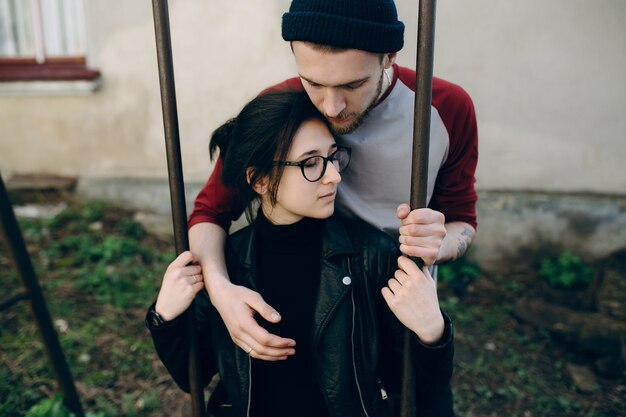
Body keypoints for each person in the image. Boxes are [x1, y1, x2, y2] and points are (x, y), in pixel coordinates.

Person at [189, 0, 477, 361]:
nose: (331, 107)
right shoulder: (285, 105)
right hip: (314, 305)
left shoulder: (445, 107)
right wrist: (220, 291)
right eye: (313, 83)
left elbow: (462, 221)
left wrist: (440, 243)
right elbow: (209, 213)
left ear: (389, 57)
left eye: (352, 84)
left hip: (405, 311)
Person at [147, 90, 454, 417]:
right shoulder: (227, 262)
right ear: (260, 180)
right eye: (311, 163)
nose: (334, 175)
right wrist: (163, 316)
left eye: (333, 157)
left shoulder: (371, 255)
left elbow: (411, 388)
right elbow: (192, 375)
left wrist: (432, 332)